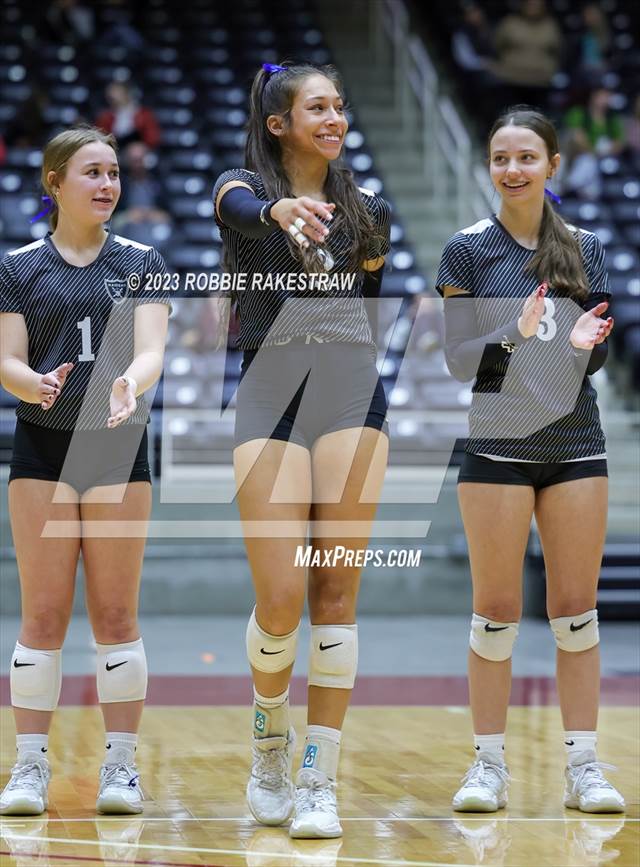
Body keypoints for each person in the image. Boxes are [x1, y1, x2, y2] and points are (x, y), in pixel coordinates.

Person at [212, 61, 391, 839]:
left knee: (336, 595)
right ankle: (269, 744)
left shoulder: (369, 212)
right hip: (271, 390)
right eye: (317, 107)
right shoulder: (242, 190)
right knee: (282, 596)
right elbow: (238, 207)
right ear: (279, 122)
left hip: (350, 391)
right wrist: (278, 208)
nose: (334, 118)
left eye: (339, 106)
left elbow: (371, 301)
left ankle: (319, 775)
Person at [435, 106, 625, 814]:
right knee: (495, 615)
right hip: (497, 449)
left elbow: (591, 356)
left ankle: (584, 766)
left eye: (526, 157)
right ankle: (487, 765)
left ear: (551, 166)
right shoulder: (467, 250)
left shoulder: (585, 247)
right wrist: (510, 336)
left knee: (576, 614)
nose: (512, 170)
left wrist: (582, 347)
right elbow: (460, 362)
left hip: (575, 445)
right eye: (501, 158)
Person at [0, 125, 171, 816]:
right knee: (42, 614)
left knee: (115, 614)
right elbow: (7, 360)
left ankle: (121, 766)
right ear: (55, 182)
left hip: (115, 450)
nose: (107, 184)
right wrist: (33, 383)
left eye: (113, 173)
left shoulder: (142, 260)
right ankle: (28, 766)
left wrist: (130, 380)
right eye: (92, 172)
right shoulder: (18, 266)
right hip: (42, 448)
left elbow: (152, 348)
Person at [96, 82, 161, 150]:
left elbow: (153, 137)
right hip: (115, 149)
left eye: (118, 93)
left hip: (139, 150)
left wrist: (142, 146)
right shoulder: (105, 117)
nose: (113, 96)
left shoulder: (143, 114)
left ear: (126, 93)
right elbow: (101, 137)